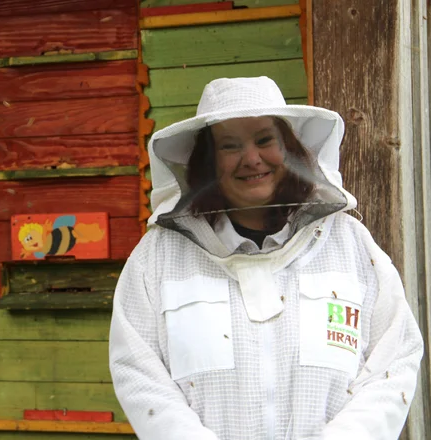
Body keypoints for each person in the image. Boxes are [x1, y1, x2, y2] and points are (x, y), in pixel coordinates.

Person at [108, 76, 424, 439]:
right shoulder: (159, 257)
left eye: (264, 140)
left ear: (288, 148)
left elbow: (393, 359)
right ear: (208, 162)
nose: (252, 159)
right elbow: (139, 371)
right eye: (229, 146)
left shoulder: (349, 245)